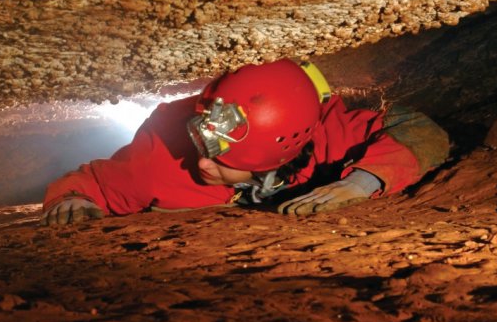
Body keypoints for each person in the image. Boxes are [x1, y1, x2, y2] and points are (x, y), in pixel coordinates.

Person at [41, 59, 449, 225]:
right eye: (201, 144)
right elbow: (93, 181)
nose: (202, 164)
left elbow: (417, 130)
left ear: (277, 158)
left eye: (222, 159)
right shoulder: (160, 162)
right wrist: (70, 199)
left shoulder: (321, 128)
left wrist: (363, 181)